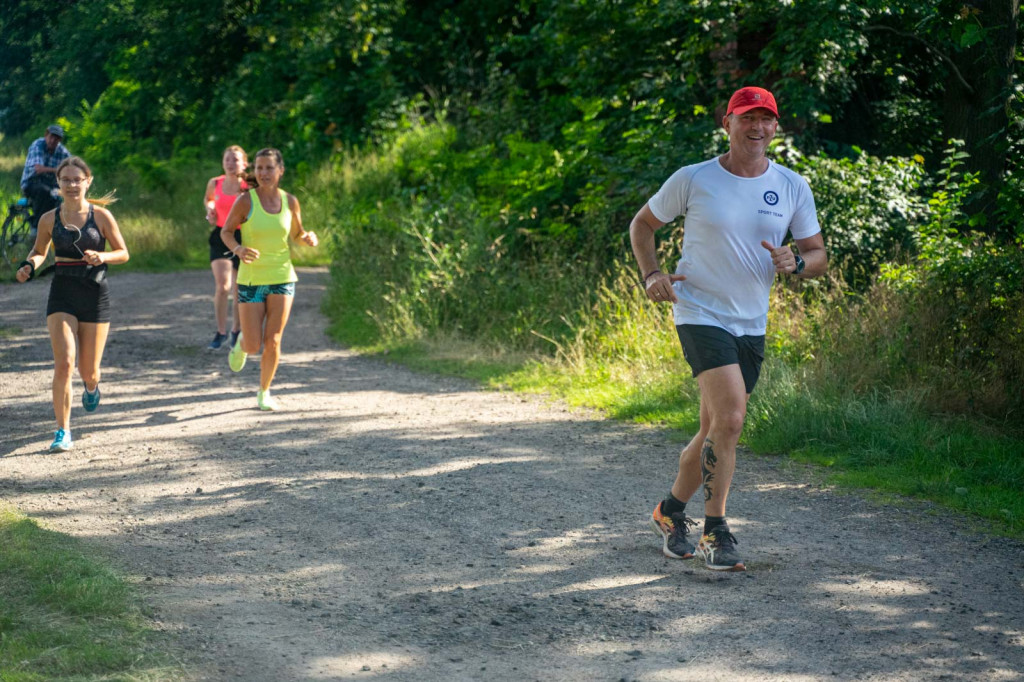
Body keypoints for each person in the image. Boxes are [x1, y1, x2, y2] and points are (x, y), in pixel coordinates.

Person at [630, 86, 827, 571]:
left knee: (715, 429)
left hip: (751, 322)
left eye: (765, 119)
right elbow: (642, 225)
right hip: (699, 311)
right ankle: (715, 531)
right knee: (733, 419)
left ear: (775, 127)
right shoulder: (694, 178)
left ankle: (669, 511)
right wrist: (652, 274)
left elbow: (818, 255)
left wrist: (798, 263)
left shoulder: (792, 186)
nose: (756, 127)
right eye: (746, 118)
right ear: (728, 123)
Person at [15, 156, 130, 452]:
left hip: (94, 293)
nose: (71, 185)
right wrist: (29, 265)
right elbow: (39, 251)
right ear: (58, 182)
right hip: (62, 293)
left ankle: (91, 386)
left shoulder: (101, 216)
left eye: (77, 180)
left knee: (88, 371)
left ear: (87, 182)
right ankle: (63, 431)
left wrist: (102, 256)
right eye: (65, 180)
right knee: (65, 363)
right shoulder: (49, 218)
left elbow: (123, 252)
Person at [222, 148, 318, 411]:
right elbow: (226, 231)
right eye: (259, 168)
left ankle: (264, 392)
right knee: (254, 344)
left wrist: (308, 238)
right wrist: (238, 249)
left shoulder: (291, 201)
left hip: (282, 276)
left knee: (274, 339)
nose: (263, 173)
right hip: (252, 279)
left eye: (269, 168)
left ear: (280, 171)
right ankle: (241, 344)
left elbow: (297, 234)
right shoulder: (245, 201)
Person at [202, 145, 249, 350]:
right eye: (227, 159)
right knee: (223, 286)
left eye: (235, 160)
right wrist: (210, 209)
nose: (231, 164)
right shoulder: (215, 183)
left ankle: (236, 330)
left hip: (243, 238)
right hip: (221, 235)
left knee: (239, 288)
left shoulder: (249, 185)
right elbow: (209, 199)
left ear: (244, 164)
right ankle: (220, 332)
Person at [20, 124, 71, 228]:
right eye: (51, 137)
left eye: (56, 138)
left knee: (63, 197)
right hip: (31, 182)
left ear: (60, 140)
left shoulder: (62, 151)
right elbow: (38, 169)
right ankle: (37, 227)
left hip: (51, 183)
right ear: (46, 135)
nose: (53, 140)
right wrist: (58, 170)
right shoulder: (38, 145)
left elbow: (72, 166)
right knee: (45, 192)